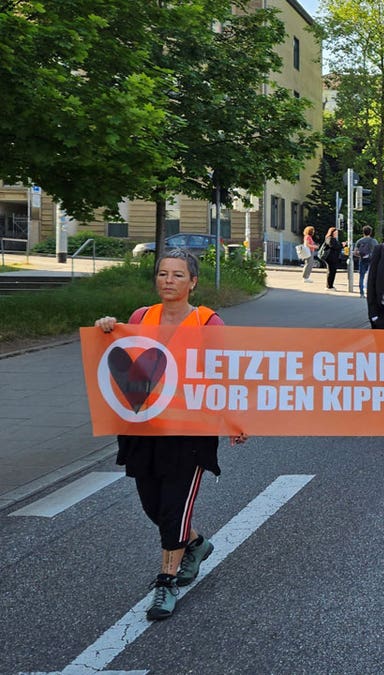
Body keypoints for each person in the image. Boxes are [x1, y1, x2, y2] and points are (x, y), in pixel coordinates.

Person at [94, 249, 248, 621]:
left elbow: (220, 374)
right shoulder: (141, 317)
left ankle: (167, 581)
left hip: (189, 432)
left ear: (193, 282)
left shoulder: (208, 322)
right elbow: (121, 356)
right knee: (153, 506)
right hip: (144, 427)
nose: (168, 280)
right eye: (163, 274)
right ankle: (195, 544)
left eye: (178, 275)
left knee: (174, 507)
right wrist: (106, 329)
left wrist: (232, 419)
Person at [353, 225, 378, 298]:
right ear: (370, 232)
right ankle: (370, 292)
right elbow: (377, 252)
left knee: (361, 276)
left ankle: (361, 293)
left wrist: (361, 255)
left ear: (363, 232)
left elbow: (355, 252)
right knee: (371, 277)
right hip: (371, 260)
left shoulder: (359, 241)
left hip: (362, 259)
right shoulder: (374, 241)